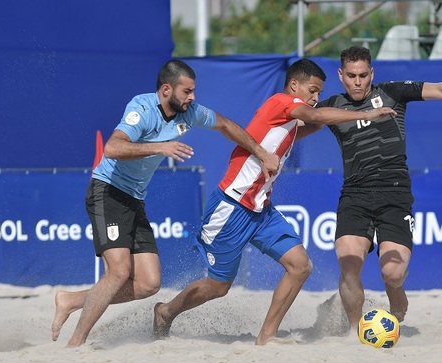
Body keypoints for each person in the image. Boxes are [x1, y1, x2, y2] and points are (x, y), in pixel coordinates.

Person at [153, 58, 397, 345]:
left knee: (300, 266)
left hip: (261, 210)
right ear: (294, 85)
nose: (315, 98)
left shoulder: (290, 119)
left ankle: (266, 337)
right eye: (312, 90)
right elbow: (315, 117)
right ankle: (166, 311)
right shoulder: (281, 101)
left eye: (319, 92)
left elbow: (309, 125)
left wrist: (328, 114)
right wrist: (364, 113)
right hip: (231, 208)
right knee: (218, 287)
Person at [51, 59, 281, 347]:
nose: (193, 97)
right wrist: (161, 146)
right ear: (166, 89)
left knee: (148, 284)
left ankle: (71, 300)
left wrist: (260, 151)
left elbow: (225, 125)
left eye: (194, 91)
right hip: (107, 191)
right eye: (187, 91)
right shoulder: (143, 109)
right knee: (119, 272)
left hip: (134, 199)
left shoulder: (191, 113)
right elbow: (112, 148)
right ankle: (75, 345)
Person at [299, 46, 442, 335]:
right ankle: (357, 332)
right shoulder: (332, 107)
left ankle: (395, 289)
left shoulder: (393, 93)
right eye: (351, 76)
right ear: (341, 75)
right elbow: (294, 125)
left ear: (372, 73)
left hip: (394, 195)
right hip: (354, 195)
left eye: (363, 75)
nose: (358, 81)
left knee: (391, 273)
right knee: (348, 263)